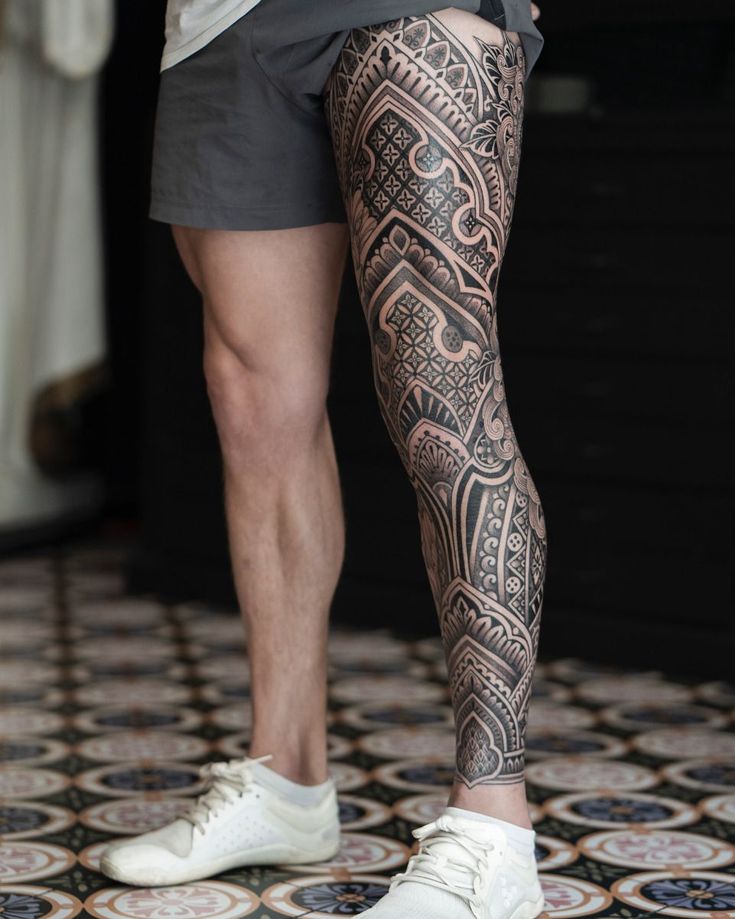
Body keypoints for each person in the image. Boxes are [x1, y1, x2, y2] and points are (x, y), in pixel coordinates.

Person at [100, 1, 548, 916]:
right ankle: (286, 783)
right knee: (254, 404)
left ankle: (493, 828)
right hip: (220, 24)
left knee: (442, 388)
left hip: (410, 9)